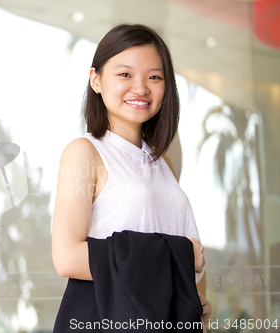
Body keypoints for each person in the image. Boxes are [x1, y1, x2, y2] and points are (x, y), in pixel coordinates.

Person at [52, 23, 212, 329]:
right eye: (125, 74)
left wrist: (197, 305)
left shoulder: (161, 162)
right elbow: (67, 257)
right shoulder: (84, 152)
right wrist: (175, 259)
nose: (141, 88)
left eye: (154, 77)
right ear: (95, 79)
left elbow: (190, 255)